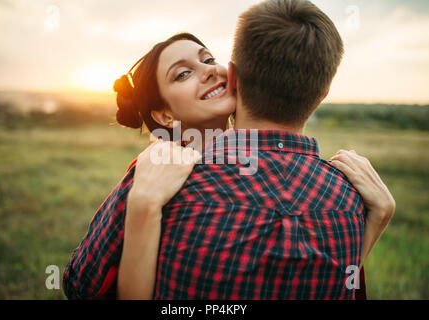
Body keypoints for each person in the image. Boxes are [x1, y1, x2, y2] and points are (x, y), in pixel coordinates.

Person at [63, 0, 395, 300]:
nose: (208, 70)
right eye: (183, 73)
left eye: (209, 59)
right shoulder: (151, 175)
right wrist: (143, 205)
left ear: (234, 76)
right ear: (164, 115)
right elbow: (82, 285)